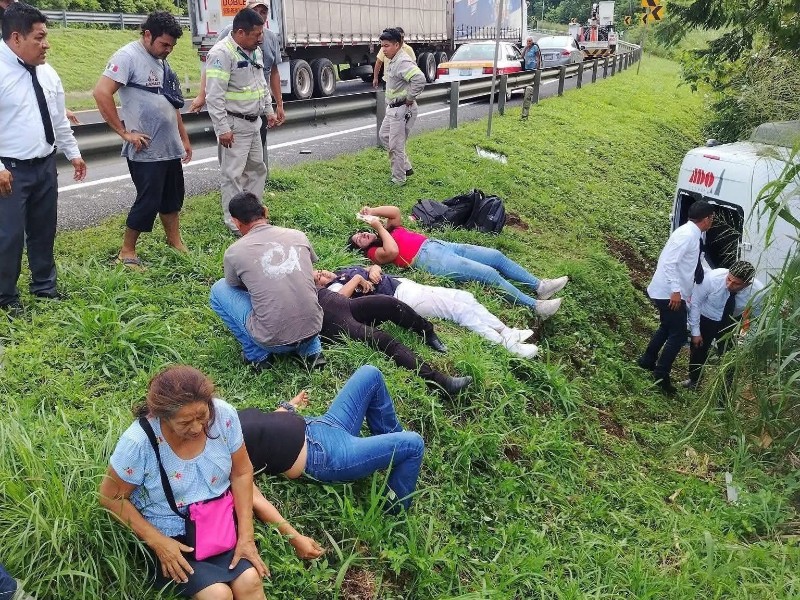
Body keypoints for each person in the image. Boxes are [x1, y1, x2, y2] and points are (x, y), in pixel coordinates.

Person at [98, 365, 269, 599]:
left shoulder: (223, 416)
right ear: (162, 417)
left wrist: (246, 537)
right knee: (217, 595)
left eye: (202, 416)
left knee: (250, 581)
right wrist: (157, 541)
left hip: (216, 527)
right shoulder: (139, 443)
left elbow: (241, 472)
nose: (198, 427)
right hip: (168, 539)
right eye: (185, 422)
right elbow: (110, 496)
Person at [0, 2, 86, 315]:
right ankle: (5, 298)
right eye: (39, 37)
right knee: (8, 236)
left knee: (43, 228)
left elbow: (58, 118)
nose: (45, 43)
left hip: (44, 164)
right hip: (9, 170)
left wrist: (72, 152)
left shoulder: (47, 72)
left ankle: (45, 287)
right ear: (16, 38)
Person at [242, 365, 425, 512]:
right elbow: (250, 494)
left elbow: (259, 427)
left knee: (371, 373)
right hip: (325, 454)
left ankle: (391, 442)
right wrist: (295, 538)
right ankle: (395, 505)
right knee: (414, 444)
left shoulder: (222, 416)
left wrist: (288, 406)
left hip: (321, 424)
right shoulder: (219, 453)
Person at [93, 11, 192, 269]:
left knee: (172, 197)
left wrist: (183, 138)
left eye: (172, 45)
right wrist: (125, 133)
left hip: (169, 146)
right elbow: (101, 93)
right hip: (145, 148)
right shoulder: (127, 57)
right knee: (147, 200)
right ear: (148, 35)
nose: (168, 50)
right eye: (164, 44)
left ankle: (175, 241)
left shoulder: (161, 60)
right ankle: (127, 251)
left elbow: (172, 103)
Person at [349, 205, 568, 319]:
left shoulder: (389, 230)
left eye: (361, 232)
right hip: (429, 259)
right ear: (363, 249)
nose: (362, 235)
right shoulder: (375, 253)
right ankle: (535, 306)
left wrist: (372, 213)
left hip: (438, 244)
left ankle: (539, 286)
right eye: (358, 240)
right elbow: (393, 251)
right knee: (488, 274)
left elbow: (395, 212)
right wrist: (377, 227)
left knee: (495, 256)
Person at [315, 265, 540, 358]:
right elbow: (339, 299)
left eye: (320, 271)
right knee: (458, 310)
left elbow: (371, 267)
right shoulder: (334, 289)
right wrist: (357, 279)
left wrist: (373, 269)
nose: (322, 274)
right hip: (400, 298)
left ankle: (506, 330)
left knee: (465, 297)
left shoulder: (341, 272)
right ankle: (506, 345)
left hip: (403, 283)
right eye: (318, 278)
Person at [209, 192, 324, 370]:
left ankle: (257, 356)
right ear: (265, 211)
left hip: (273, 342)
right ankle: (312, 351)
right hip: (315, 328)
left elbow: (235, 286)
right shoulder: (298, 235)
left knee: (219, 289)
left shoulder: (234, 252)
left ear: (236, 221)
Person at [314, 284, 472, 396]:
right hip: (330, 320)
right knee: (383, 340)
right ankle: (439, 382)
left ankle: (427, 332)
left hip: (341, 302)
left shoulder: (295, 266)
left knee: (388, 303)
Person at [205, 8, 275, 235]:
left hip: (254, 123)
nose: (260, 39)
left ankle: (253, 218)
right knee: (233, 175)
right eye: (256, 35)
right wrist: (222, 128)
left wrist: (269, 110)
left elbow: (261, 84)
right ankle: (234, 223)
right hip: (234, 125)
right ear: (241, 32)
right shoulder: (221, 54)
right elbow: (214, 96)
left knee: (257, 169)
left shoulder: (253, 50)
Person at [638, 200, 716, 393]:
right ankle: (661, 375)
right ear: (706, 219)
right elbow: (669, 263)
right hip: (669, 293)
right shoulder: (687, 236)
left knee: (667, 327)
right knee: (678, 334)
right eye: (712, 218)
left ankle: (647, 360)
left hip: (670, 291)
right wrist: (675, 291)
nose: (712, 221)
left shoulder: (690, 233)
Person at [189, 0, 285, 148]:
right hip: (236, 115)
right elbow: (213, 68)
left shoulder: (269, 39)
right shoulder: (231, 34)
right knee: (235, 168)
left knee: (257, 164)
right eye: (255, 11)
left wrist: (277, 105)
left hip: (258, 110)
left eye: (263, 12)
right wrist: (202, 95)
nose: (260, 15)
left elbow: (271, 74)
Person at [684, 261, 765, 390]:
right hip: (707, 317)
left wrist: (748, 342)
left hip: (731, 321)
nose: (729, 285)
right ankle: (694, 380)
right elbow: (696, 303)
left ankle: (725, 389)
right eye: (729, 279)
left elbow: (757, 318)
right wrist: (695, 331)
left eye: (736, 283)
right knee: (698, 348)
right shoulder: (712, 278)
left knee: (729, 356)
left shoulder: (758, 291)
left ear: (747, 283)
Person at [377, 28, 425, 186]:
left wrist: (410, 98)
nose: (383, 49)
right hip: (393, 108)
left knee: (395, 146)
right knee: (384, 136)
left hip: (402, 109)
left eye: (387, 46)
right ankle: (406, 167)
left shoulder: (402, 60)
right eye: (382, 45)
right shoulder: (392, 59)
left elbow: (419, 78)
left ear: (397, 45)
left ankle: (399, 179)